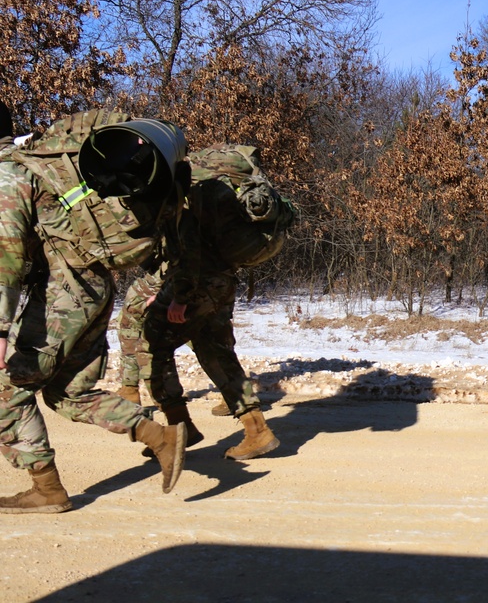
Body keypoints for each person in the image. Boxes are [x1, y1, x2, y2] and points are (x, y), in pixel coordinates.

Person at [0, 105, 187, 514]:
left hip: (63, 291)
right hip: (90, 284)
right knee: (68, 392)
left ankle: (46, 489)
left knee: (6, 389)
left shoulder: (7, 174)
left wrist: (0, 328)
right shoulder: (34, 162)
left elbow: (7, 253)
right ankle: (160, 437)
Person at [116, 162, 280, 461]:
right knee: (216, 353)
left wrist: (179, 297)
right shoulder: (193, 196)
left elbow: (187, 254)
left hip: (196, 285)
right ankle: (257, 431)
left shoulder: (177, 204)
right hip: (221, 281)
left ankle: (180, 428)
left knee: (151, 346)